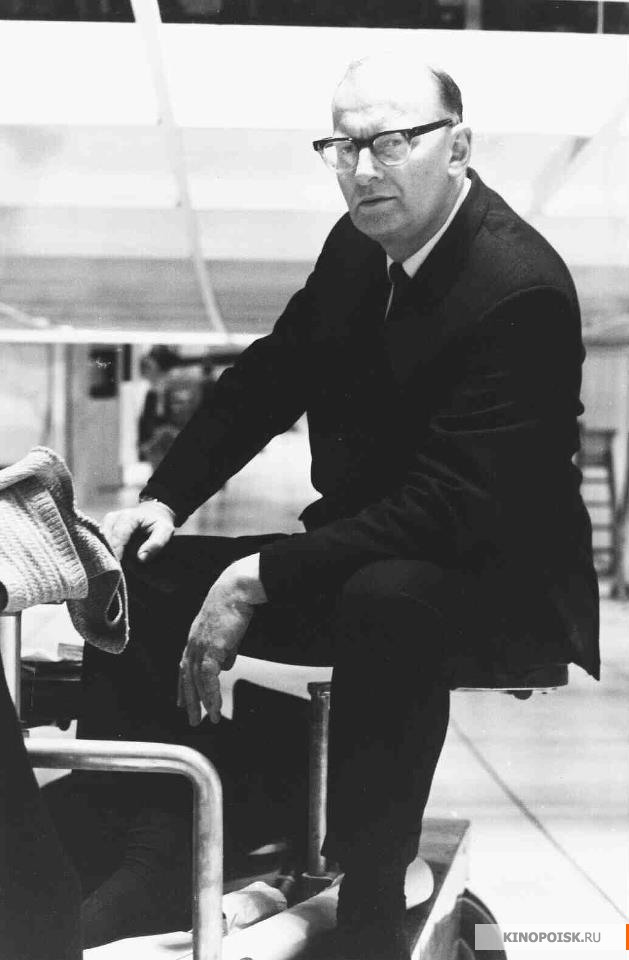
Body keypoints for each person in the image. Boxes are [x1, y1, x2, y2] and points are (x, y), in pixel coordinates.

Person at [65, 54, 600, 959]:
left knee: (384, 599)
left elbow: (455, 503)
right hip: (366, 545)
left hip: (491, 576)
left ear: (457, 147)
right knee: (135, 576)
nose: (361, 170)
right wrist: (165, 498)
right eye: (342, 146)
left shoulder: (520, 289)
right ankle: (144, 848)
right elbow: (273, 375)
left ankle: (369, 904)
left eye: (390, 143)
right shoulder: (357, 246)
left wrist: (259, 575)